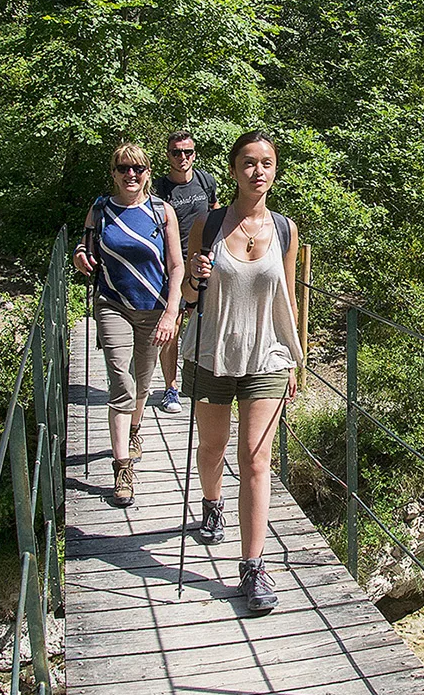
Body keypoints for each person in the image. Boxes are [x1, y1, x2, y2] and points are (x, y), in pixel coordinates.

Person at [181, 130, 302, 613]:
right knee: (211, 448)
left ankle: (253, 568)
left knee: (255, 458)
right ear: (233, 170)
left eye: (267, 163)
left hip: (267, 356)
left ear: (275, 170)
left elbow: (288, 301)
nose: (258, 171)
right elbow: (189, 299)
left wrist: (296, 359)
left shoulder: (286, 230)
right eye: (249, 163)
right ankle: (212, 505)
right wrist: (193, 279)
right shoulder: (206, 227)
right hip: (213, 351)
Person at [73, 142, 185, 507]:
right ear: (114, 173)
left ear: (148, 173)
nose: (130, 175)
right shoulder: (101, 208)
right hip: (113, 304)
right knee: (121, 382)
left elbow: (176, 266)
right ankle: (122, 467)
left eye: (137, 169)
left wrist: (171, 312)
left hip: (153, 308)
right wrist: (79, 254)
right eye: (123, 168)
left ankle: (135, 429)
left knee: (141, 382)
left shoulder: (161, 212)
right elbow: (85, 244)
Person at [152, 130, 219, 414]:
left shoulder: (206, 181)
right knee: (173, 326)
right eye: (176, 152)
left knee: (203, 323)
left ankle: (201, 382)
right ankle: (170, 387)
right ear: (168, 155)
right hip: (173, 266)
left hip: (204, 262)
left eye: (188, 152)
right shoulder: (158, 188)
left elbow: (216, 212)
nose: (183, 158)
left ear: (194, 154)